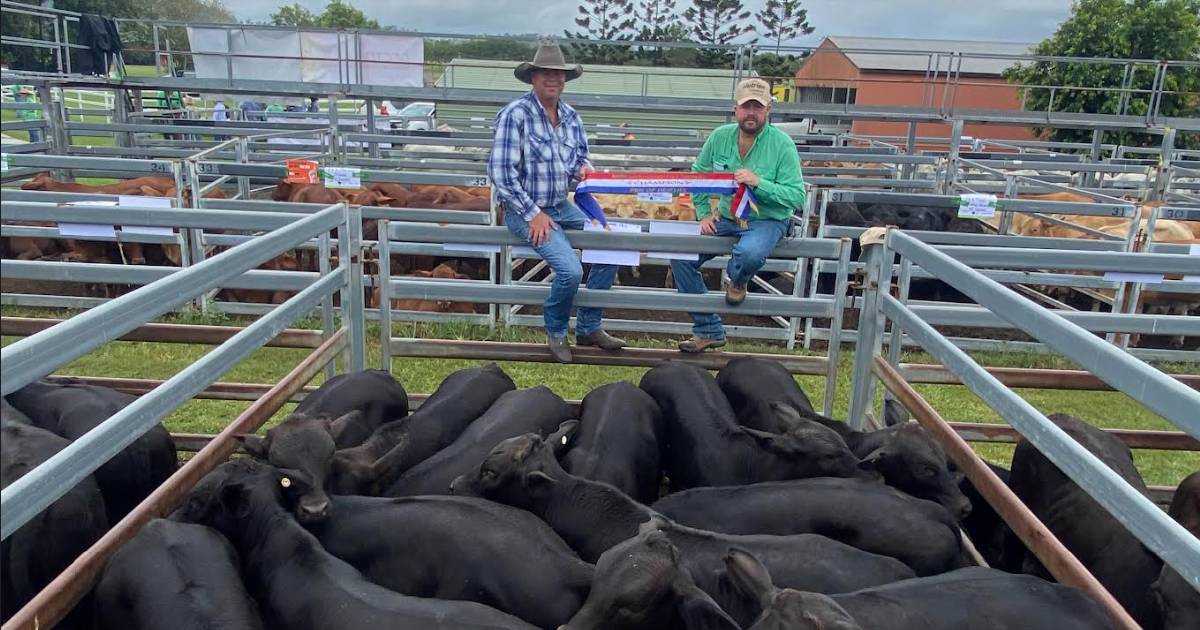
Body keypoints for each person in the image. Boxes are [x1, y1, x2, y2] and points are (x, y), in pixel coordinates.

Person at [487, 42, 626, 363]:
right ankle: (556, 330)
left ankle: (589, 326)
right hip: (525, 207)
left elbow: (579, 157)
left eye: (558, 74)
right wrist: (532, 214)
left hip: (561, 204)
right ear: (533, 77)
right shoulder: (515, 115)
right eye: (546, 73)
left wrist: (585, 171)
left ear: (565, 79)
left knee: (612, 247)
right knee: (570, 271)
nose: (553, 79)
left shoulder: (571, 116)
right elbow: (501, 173)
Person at [670, 78, 807, 353]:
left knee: (750, 254)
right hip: (726, 217)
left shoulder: (782, 145)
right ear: (736, 109)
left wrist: (759, 183)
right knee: (679, 255)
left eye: (757, 107)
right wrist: (704, 213)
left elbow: (797, 197)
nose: (751, 113)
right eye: (746, 107)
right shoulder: (720, 137)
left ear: (768, 109)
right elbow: (699, 174)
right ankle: (708, 329)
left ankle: (739, 279)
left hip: (766, 219)